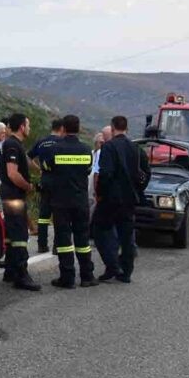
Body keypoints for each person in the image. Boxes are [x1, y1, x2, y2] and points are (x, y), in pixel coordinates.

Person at [92, 115, 150, 284]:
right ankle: (126, 271)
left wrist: (100, 193)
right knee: (126, 235)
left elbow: (105, 174)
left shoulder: (109, 147)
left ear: (113, 127)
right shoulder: (136, 149)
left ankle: (112, 265)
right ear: (127, 128)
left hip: (111, 198)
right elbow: (146, 173)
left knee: (99, 230)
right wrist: (138, 190)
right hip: (130, 199)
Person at [39, 114, 94, 289]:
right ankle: (87, 276)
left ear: (63, 128)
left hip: (60, 202)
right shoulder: (86, 150)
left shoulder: (55, 149)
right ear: (78, 129)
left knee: (63, 241)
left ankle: (67, 278)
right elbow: (87, 170)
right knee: (82, 240)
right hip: (80, 202)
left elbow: (46, 168)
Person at [0, 113, 41, 291]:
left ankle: (10, 270)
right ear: (22, 127)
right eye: (28, 125)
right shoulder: (12, 145)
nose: (29, 129)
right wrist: (28, 186)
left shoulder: (14, 145)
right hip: (14, 194)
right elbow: (12, 174)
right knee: (20, 235)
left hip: (12, 194)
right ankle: (22, 275)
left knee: (11, 232)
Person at [28, 118, 64, 254]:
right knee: (59, 214)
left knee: (44, 215)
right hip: (60, 182)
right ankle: (57, 246)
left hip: (45, 181)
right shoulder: (62, 142)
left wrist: (38, 169)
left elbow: (27, 157)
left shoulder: (41, 142)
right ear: (62, 129)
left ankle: (42, 245)